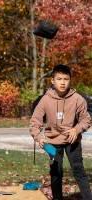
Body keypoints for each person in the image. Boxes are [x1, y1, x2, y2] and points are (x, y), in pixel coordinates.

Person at [30, 64, 92, 200]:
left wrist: (77, 129)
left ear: (70, 80)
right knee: (56, 173)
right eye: (59, 79)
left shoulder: (78, 99)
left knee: (79, 171)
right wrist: (39, 137)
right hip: (53, 142)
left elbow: (86, 120)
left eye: (66, 79)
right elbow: (35, 122)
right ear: (52, 80)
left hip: (72, 140)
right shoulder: (45, 100)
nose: (63, 82)